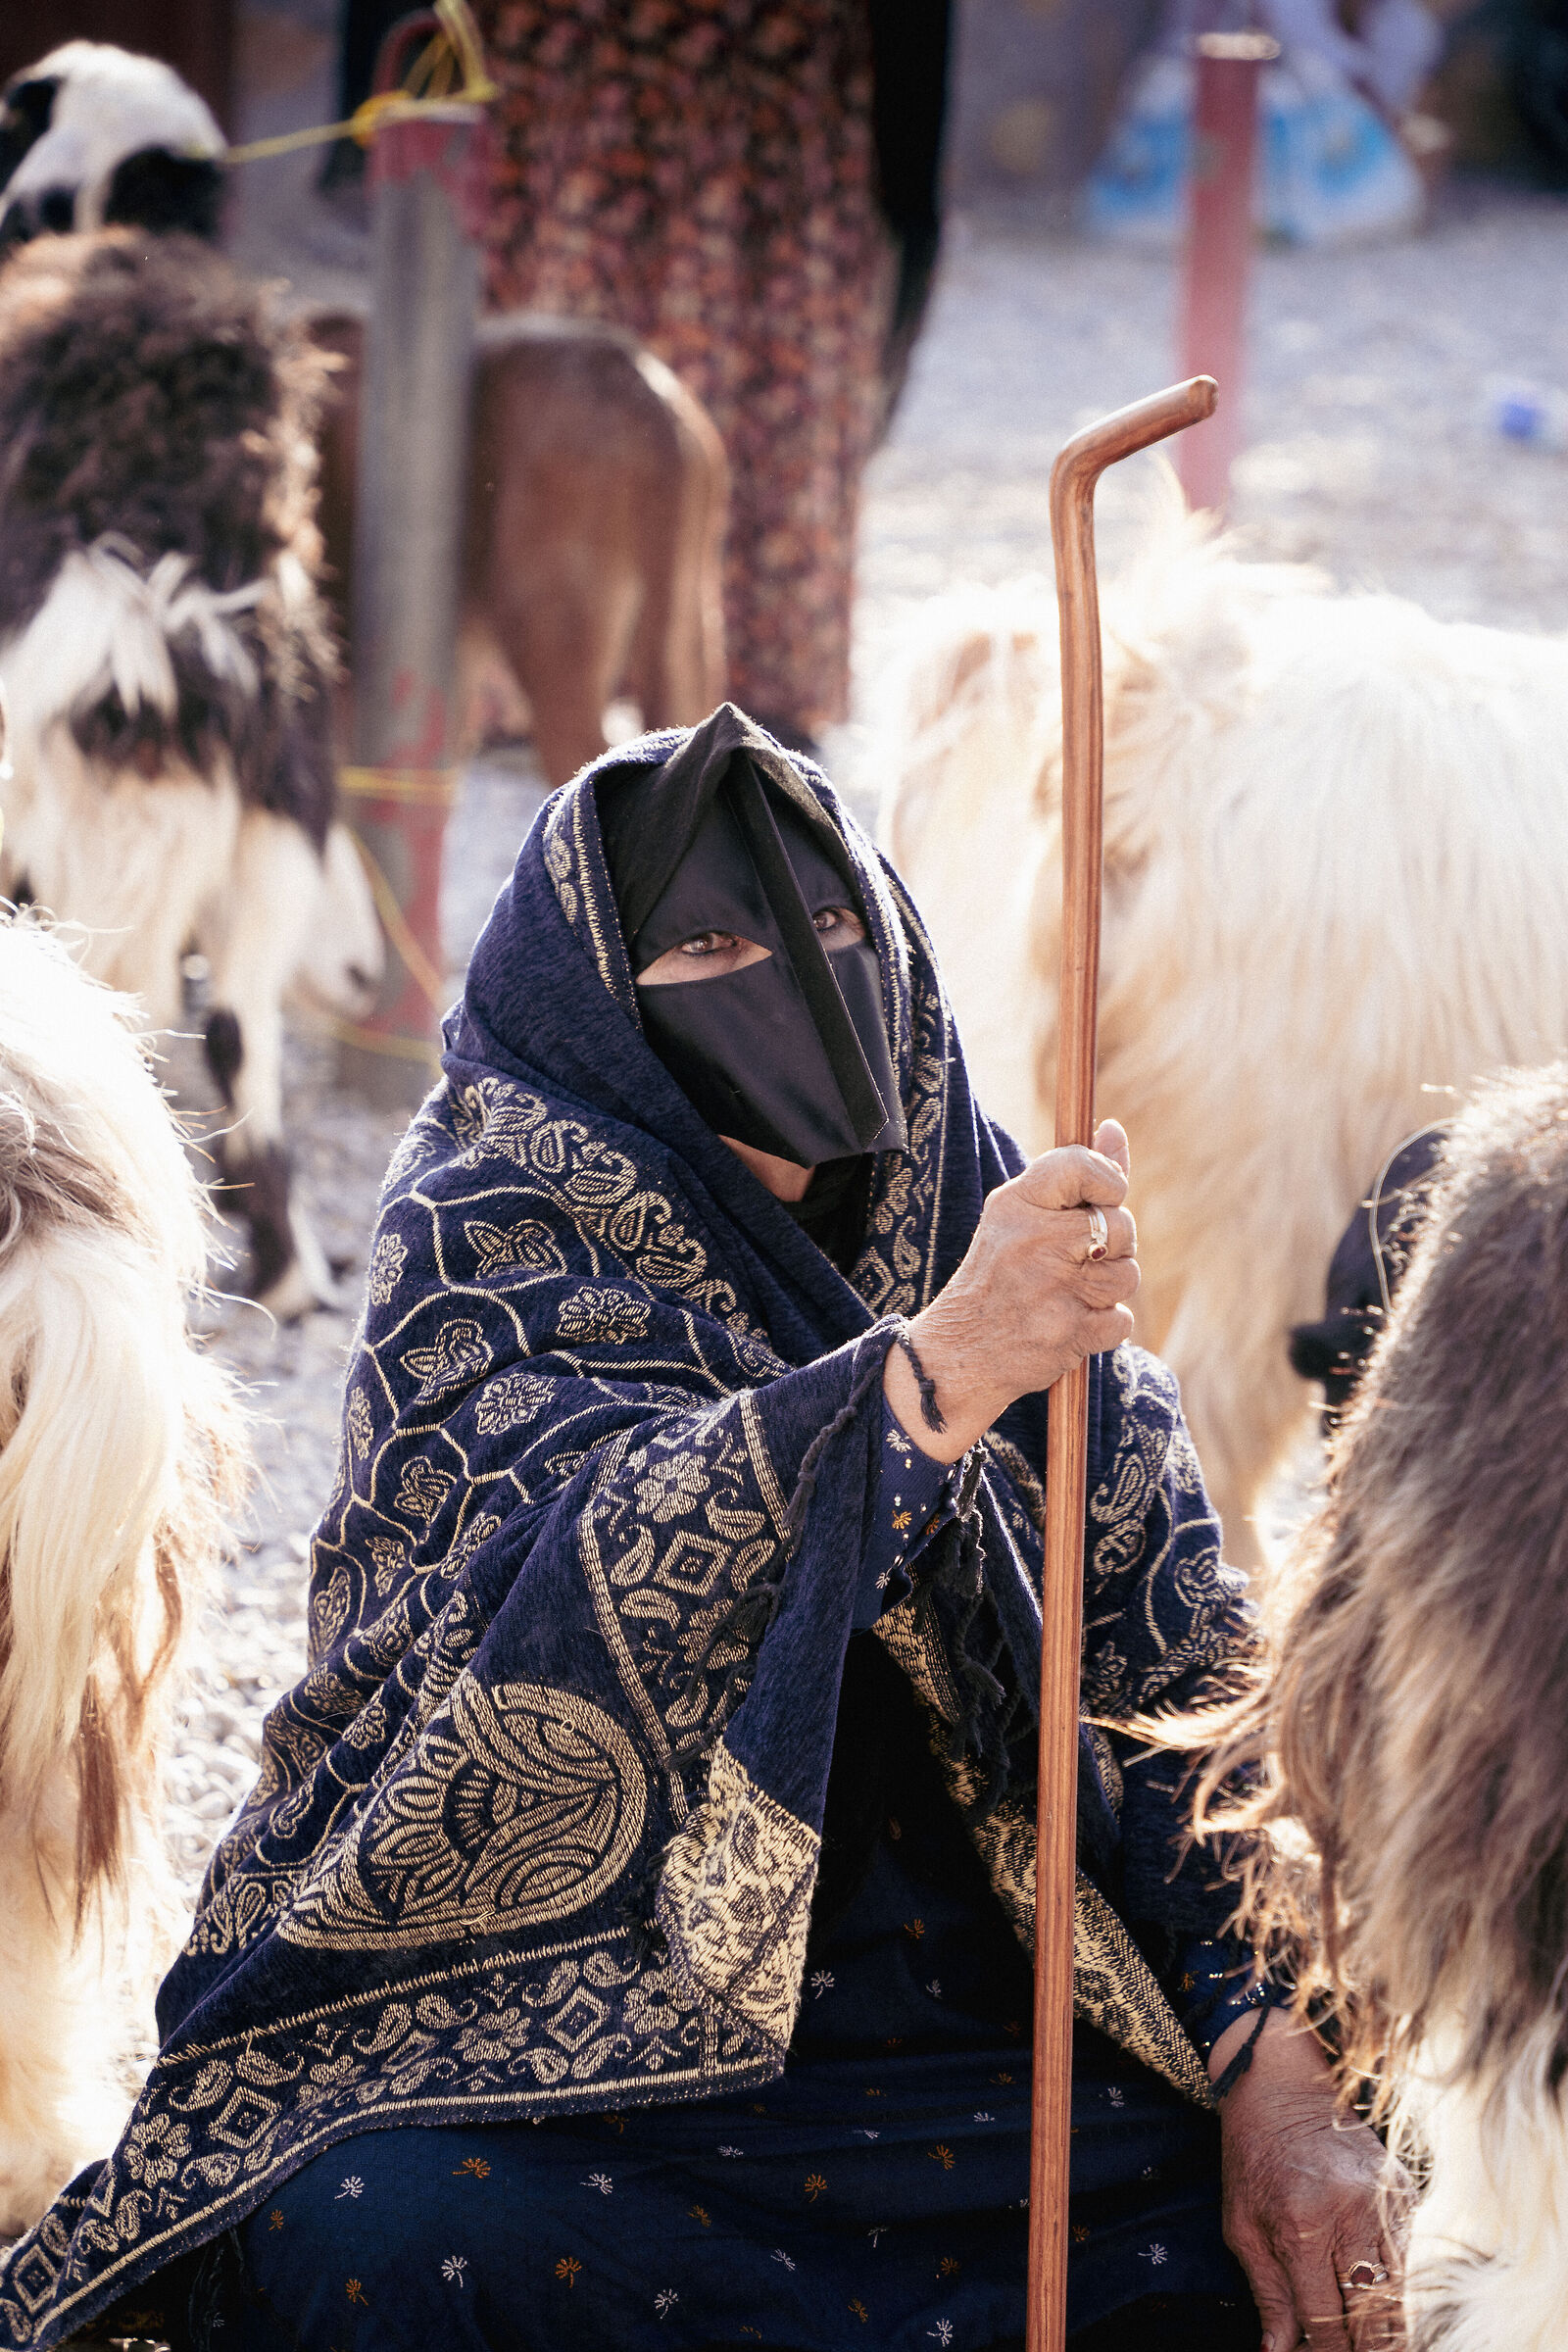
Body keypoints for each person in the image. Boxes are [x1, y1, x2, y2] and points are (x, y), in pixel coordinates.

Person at [0, 706, 1393, 2351]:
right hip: (575, 2082)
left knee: (1391, 2191)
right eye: (715, 943)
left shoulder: (996, 1224)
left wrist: (1274, 2070)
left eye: (827, 922)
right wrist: (922, 1387)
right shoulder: (494, 1244)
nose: (795, 977)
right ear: (597, 1013)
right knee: (374, 2238)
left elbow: (1197, 1713)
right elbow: (543, 1636)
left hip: (977, 2065)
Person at [471, 0, 952, 754]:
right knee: (567, 379)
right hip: (622, 90)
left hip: (734, 96)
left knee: (597, 358)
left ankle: (714, 691)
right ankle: (546, 670)